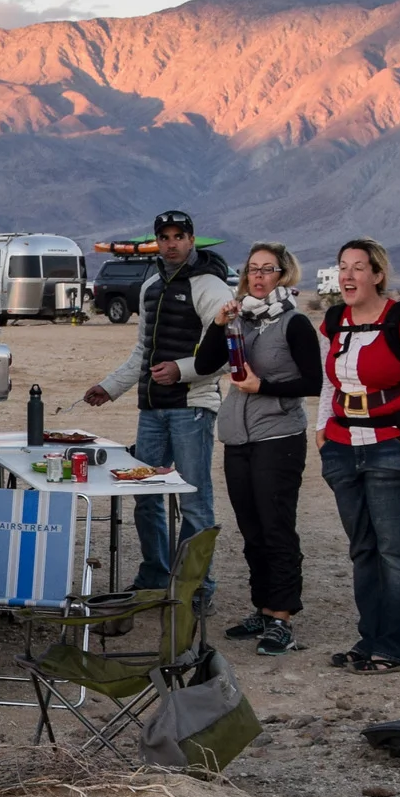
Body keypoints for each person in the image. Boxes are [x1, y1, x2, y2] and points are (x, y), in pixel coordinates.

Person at [82, 210, 232, 594]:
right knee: (146, 497)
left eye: (178, 236)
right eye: (164, 237)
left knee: (194, 500)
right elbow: (142, 352)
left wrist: (182, 371)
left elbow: (228, 351)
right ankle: (154, 576)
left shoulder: (210, 285)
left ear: (192, 238)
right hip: (152, 409)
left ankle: (196, 589)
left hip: (193, 407)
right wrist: (110, 386)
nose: (171, 244)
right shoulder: (152, 284)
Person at [316, 237, 400, 675]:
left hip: (395, 450)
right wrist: (321, 432)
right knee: (363, 550)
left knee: (398, 551)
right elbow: (330, 383)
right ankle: (370, 639)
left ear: (378, 275)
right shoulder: (334, 320)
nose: (348, 276)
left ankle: (397, 647)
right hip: (343, 449)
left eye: (358, 267)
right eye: (342, 267)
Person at [210, 244, 322, 656]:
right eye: (251, 269)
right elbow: (208, 362)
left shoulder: (294, 323)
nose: (257, 276)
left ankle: (282, 618)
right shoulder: (241, 321)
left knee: (276, 527)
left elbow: (314, 382)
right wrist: (216, 325)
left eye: (267, 270)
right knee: (251, 527)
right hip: (238, 438)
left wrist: (265, 387)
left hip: (279, 437)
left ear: (284, 275)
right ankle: (262, 607)